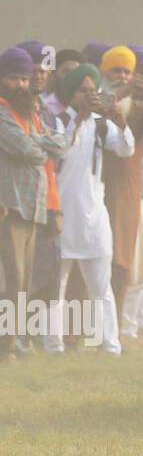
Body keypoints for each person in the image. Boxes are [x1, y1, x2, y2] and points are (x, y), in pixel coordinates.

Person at [45, 63, 134, 355]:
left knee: (101, 287)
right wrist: (80, 117)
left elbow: (125, 149)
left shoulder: (100, 123)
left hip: (94, 217)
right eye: (83, 91)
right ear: (71, 94)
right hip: (61, 215)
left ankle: (110, 345)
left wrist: (119, 121)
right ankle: (53, 345)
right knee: (55, 287)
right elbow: (60, 150)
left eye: (92, 91)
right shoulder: (55, 120)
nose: (88, 95)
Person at [98, 46, 143, 344]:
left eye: (128, 71)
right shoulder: (98, 96)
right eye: (117, 70)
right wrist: (124, 90)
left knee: (121, 261)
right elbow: (98, 111)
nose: (123, 76)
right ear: (105, 73)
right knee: (96, 260)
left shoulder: (139, 105)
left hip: (127, 189)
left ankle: (112, 330)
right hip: (97, 187)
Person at [0, 47, 65, 358]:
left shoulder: (30, 113)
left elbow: (61, 144)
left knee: (23, 283)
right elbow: (25, 149)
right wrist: (42, 147)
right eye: (13, 78)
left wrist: (39, 144)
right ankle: (7, 346)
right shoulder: (2, 112)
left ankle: (13, 342)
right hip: (9, 208)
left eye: (24, 79)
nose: (21, 85)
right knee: (11, 280)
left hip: (32, 207)